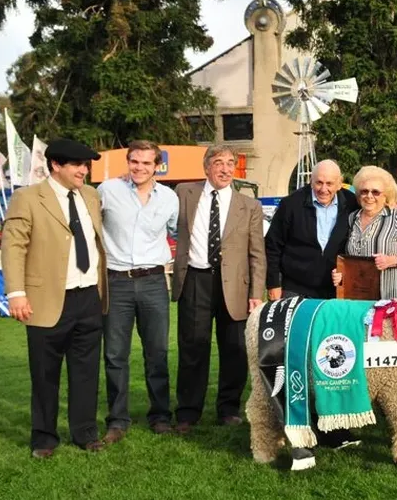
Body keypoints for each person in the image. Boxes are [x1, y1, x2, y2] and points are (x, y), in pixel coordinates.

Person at [1, 139, 107, 458]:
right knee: (45, 374)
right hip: (46, 300)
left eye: (86, 165)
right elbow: (13, 246)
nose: (84, 171)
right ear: (56, 166)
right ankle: (44, 438)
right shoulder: (27, 198)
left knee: (86, 371)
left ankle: (85, 432)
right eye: (77, 165)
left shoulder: (90, 195)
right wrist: (16, 293)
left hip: (89, 297)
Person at [171, 144, 267, 433]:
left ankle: (228, 409)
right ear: (206, 167)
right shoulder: (183, 194)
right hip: (195, 281)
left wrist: (256, 294)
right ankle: (188, 412)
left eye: (230, 163)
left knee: (234, 349)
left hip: (236, 286)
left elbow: (257, 253)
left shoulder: (249, 205)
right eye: (218, 163)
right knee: (193, 347)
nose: (225, 169)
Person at [97, 141, 179, 443]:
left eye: (146, 163)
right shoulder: (107, 191)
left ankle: (160, 415)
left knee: (157, 352)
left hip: (154, 282)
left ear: (157, 165)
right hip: (116, 282)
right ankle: (117, 420)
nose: (140, 168)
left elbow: (176, 233)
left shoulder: (169, 198)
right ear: (127, 162)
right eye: (135, 162)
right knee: (115, 354)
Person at [265, 159, 358, 301]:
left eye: (329, 184)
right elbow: (273, 246)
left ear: (339, 184)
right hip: (295, 289)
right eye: (319, 182)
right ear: (311, 180)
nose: (323, 189)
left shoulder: (352, 203)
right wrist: (273, 284)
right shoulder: (291, 204)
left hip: (335, 290)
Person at [332, 166, 397, 300]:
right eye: (364, 191)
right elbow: (348, 258)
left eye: (375, 192)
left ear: (385, 196)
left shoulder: (395, 217)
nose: (369, 196)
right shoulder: (352, 218)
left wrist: (392, 260)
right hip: (356, 297)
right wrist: (340, 274)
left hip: (387, 296)